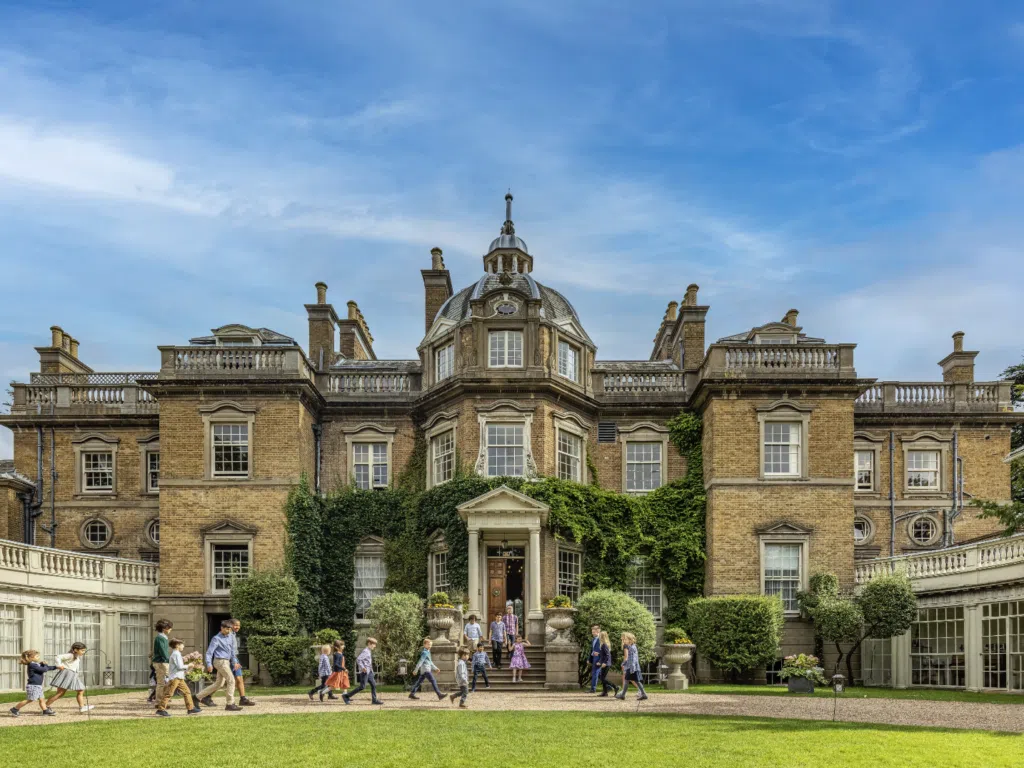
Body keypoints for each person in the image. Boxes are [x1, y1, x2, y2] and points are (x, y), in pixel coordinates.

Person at [198, 620, 243, 712]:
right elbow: (209, 653)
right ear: (221, 628)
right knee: (231, 680)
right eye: (227, 629)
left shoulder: (230, 637)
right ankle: (230, 704)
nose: (229, 631)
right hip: (220, 661)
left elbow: (232, 652)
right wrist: (209, 664)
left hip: (226, 661)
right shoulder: (216, 639)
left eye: (230, 629)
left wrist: (235, 662)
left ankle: (197, 696)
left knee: (219, 683)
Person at [156, 639, 202, 717]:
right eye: (182, 644)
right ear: (177, 645)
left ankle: (190, 708)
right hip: (175, 678)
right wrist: (189, 665)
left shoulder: (177, 654)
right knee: (168, 693)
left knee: (187, 692)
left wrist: (187, 669)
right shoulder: (176, 654)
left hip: (179, 678)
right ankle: (161, 709)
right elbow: (180, 667)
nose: (183, 646)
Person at [45, 642, 94, 713]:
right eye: (82, 650)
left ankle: (82, 707)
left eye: (84, 650)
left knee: (81, 690)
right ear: (76, 649)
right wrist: (59, 665)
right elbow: (58, 657)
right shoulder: (71, 655)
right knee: (60, 693)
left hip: (73, 674)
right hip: (67, 674)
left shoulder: (76, 656)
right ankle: (45, 707)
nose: (84, 652)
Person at [9, 650, 57, 717]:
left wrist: (56, 667)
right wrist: (45, 664)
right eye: (37, 656)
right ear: (31, 658)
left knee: (41, 699)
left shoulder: (37, 664)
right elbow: (44, 669)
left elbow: (47, 668)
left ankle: (45, 710)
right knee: (30, 699)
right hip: (33, 686)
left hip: (38, 686)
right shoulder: (32, 665)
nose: (39, 657)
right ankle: (15, 709)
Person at [343, 638, 383, 705]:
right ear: (369, 643)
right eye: (374, 644)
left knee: (373, 684)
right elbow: (358, 659)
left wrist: (371, 671)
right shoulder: (366, 651)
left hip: (369, 671)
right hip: (364, 672)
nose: (375, 646)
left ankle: (374, 700)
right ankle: (346, 696)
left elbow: (368, 662)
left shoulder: (368, 651)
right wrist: (363, 667)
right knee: (362, 687)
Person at [230, 619, 256, 706]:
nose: (238, 627)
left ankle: (243, 698)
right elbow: (230, 650)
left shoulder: (233, 634)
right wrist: (234, 661)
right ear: (230, 625)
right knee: (221, 682)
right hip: (231, 659)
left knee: (239, 678)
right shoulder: (228, 635)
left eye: (239, 625)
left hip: (234, 658)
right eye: (236, 625)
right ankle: (204, 696)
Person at [615, 632, 647, 701]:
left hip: (631, 667)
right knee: (633, 681)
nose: (623, 641)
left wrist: (623, 664)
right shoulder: (633, 646)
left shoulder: (628, 647)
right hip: (634, 667)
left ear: (629, 639)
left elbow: (628, 658)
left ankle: (623, 695)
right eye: (623, 640)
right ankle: (643, 694)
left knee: (631, 680)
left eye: (625, 639)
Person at [152, 619, 172, 707]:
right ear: (165, 628)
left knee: (166, 682)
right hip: (161, 663)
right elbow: (163, 652)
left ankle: (163, 701)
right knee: (161, 683)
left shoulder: (162, 637)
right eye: (170, 628)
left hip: (162, 662)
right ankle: (159, 702)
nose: (171, 629)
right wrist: (170, 661)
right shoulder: (160, 638)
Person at [597, 631, 619, 697]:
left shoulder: (604, 645)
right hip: (605, 663)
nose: (598, 636)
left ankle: (615, 687)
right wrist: (600, 662)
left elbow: (607, 655)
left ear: (602, 637)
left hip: (606, 664)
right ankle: (605, 692)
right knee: (601, 677)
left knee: (602, 678)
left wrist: (604, 663)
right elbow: (603, 655)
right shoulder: (603, 644)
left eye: (600, 635)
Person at [588, 625, 602, 693]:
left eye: (594, 632)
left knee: (595, 674)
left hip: (599, 659)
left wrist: (599, 655)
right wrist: (589, 659)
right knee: (600, 675)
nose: (592, 633)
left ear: (598, 631)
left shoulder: (601, 639)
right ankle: (611, 687)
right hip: (594, 659)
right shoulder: (594, 639)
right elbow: (592, 650)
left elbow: (605, 650)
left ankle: (593, 689)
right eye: (592, 632)